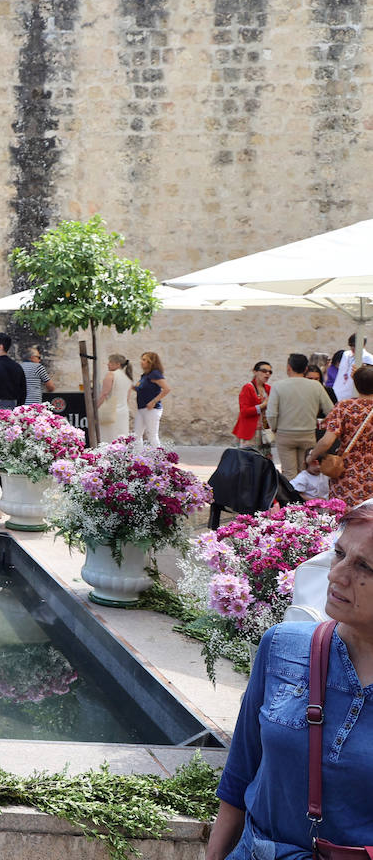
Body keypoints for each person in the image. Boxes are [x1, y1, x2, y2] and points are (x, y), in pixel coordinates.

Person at [204, 502, 373, 860]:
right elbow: (239, 775)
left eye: (364, 567)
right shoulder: (283, 645)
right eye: (339, 554)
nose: (336, 575)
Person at [308, 365, 373, 508]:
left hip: (347, 472)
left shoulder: (345, 407)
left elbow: (326, 442)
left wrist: (312, 456)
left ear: (355, 383)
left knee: (345, 518)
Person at [267, 353, 331, 478]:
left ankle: (290, 497)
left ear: (288, 367)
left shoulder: (278, 386)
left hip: (285, 434)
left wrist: (274, 428)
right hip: (308, 434)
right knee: (305, 471)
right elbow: (331, 411)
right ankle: (304, 497)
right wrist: (320, 423)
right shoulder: (316, 386)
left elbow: (271, 414)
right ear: (306, 369)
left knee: (288, 472)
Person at [133, 351, 170, 447]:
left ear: (151, 362)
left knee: (152, 435)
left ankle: (160, 459)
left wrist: (154, 401)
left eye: (144, 360)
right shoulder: (145, 376)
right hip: (141, 408)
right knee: (136, 435)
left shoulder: (155, 374)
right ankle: (138, 458)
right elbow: (140, 389)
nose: (141, 362)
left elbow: (167, 389)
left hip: (152, 409)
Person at [94, 354, 133, 444]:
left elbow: (104, 394)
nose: (108, 364)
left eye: (110, 362)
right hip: (123, 412)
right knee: (121, 437)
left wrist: (95, 408)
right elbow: (127, 398)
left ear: (118, 364)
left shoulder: (111, 375)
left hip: (110, 412)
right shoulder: (128, 377)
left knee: (108, 438)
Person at [231, 362, 272, 447]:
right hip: (250, 432)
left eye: (270, 372)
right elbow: (244, 411)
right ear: (255, 372)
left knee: (264, 458)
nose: (267, 373)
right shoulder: (248, 388)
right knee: (248, 458)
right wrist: (262, 405)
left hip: (265, 431)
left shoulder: (268, 388)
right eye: (264, 371)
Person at [333, 333, 373, 401]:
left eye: (354, 346)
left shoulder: (369, 358)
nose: (352, 348)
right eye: (351, 345)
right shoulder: (346, 354)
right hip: (338, 390)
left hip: (353, 392)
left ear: (362, 345)